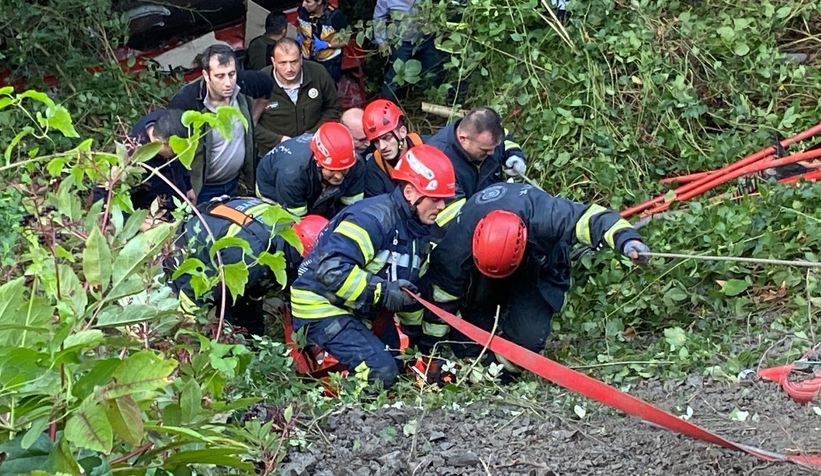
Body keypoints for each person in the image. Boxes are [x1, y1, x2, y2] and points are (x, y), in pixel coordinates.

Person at [418, 182, 650, 381]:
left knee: (526, 342)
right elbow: (440, 300)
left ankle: (498, 374)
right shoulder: (456, 247)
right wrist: (431, 352)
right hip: (481, 274)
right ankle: (477, 356)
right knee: (468, 340)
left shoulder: (546, 215)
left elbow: (592, 218)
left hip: (537, 264)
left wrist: (627, 241)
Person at [289, 144, 457, 388]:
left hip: (360, 310)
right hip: (320, 307)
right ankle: (344, 418)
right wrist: (384, 292)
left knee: (398, 366)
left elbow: (409, 294)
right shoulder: (371, 219)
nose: (442, 206)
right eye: (436, 199)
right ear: (410, 193)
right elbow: (331, 270)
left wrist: (420, 349)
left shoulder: (418, 232)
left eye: (445, 200)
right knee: (380, 372)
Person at [171, 196, 328, 336]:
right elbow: (194, 294)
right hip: (191, 252)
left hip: (223, 232)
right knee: (216, 315)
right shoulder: (251, 258)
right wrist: (187, 332)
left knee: (251, 328)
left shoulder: (287, 225)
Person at [167, 44, 258, 203]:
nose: (228, 83)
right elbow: (172, 152)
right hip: (202, 190)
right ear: (206, 75)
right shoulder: (187, 102)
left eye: (232, 74)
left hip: (233, 183)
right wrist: (187, 187)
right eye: (220, 76)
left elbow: (266, 85)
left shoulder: (243, 90)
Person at [425, 106, 527, 227]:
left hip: (494, 211)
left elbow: (505, 138)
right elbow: (455, 220)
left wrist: (514, 155)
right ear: (463, 139)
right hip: (459, 232)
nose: (492, 153)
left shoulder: (488, 137)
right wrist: (502, 205)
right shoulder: (437, 160)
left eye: (494, 147)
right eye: (485, 150)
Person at [92, 109, 194, 221]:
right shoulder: (132, 158)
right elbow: (104, 199)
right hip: (148, 217)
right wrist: (140, 224)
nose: (180, 154)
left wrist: (188, 187)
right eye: (176, 152)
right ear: (159, 142)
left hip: (177, 206)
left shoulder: (166, 121)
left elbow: (181, 161)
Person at [256, 122, 364, 220]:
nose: (339, 176)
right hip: (273, 189)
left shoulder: (355, 163)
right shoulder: (292, 174)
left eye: (344, 169)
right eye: (332, 170)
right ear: (318, 162)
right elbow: (297, 218)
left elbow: (352, 207)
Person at [255, 38, 342, 155]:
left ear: (301, 59)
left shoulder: (318, 73)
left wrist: (312, 135)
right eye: (282, 63)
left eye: (294, 62)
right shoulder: (259, 82)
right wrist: (279, 140)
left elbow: (333, 108)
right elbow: (248, 123)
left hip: (314, 149)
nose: (289, 69)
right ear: (273, 62)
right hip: (275, 153)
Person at [373, 0, 443, 100]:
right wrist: (382, 42)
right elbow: (379, 18)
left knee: (432, 69)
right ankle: (385, 104)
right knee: (395, 75)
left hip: (426, 38)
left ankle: (426, 99)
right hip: (402, 42)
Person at [361, 99, 424, 198]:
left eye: (386, 137)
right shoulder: (374, 169)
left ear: (402, 132)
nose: (382, 147)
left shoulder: (427, 147)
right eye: (376, 141)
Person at [296, 0, 348, 82]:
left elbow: (346, 40)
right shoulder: (303, 10)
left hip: (329, 61)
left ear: (319, 1)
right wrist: (300, 35)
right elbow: (299, 24)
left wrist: (327, 45)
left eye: (308, 1)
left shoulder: (335, 16)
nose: (303, 4)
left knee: (327, 87)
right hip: (308, 58)